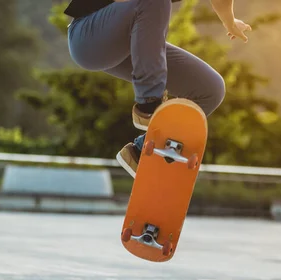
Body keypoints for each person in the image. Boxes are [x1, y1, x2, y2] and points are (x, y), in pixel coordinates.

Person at [64, 0, 251, 178]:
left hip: (132, 43)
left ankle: (143, 151)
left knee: (210, 88)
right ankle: (148, 104)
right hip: (89, 36)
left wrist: (230, 22)